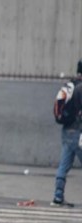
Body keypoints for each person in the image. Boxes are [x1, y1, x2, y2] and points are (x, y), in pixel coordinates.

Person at [51, 59, 82, 207]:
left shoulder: (69, 86)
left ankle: (57, 197)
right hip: (80, 130)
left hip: (67, 130)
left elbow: (59, 105)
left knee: (64, 165)